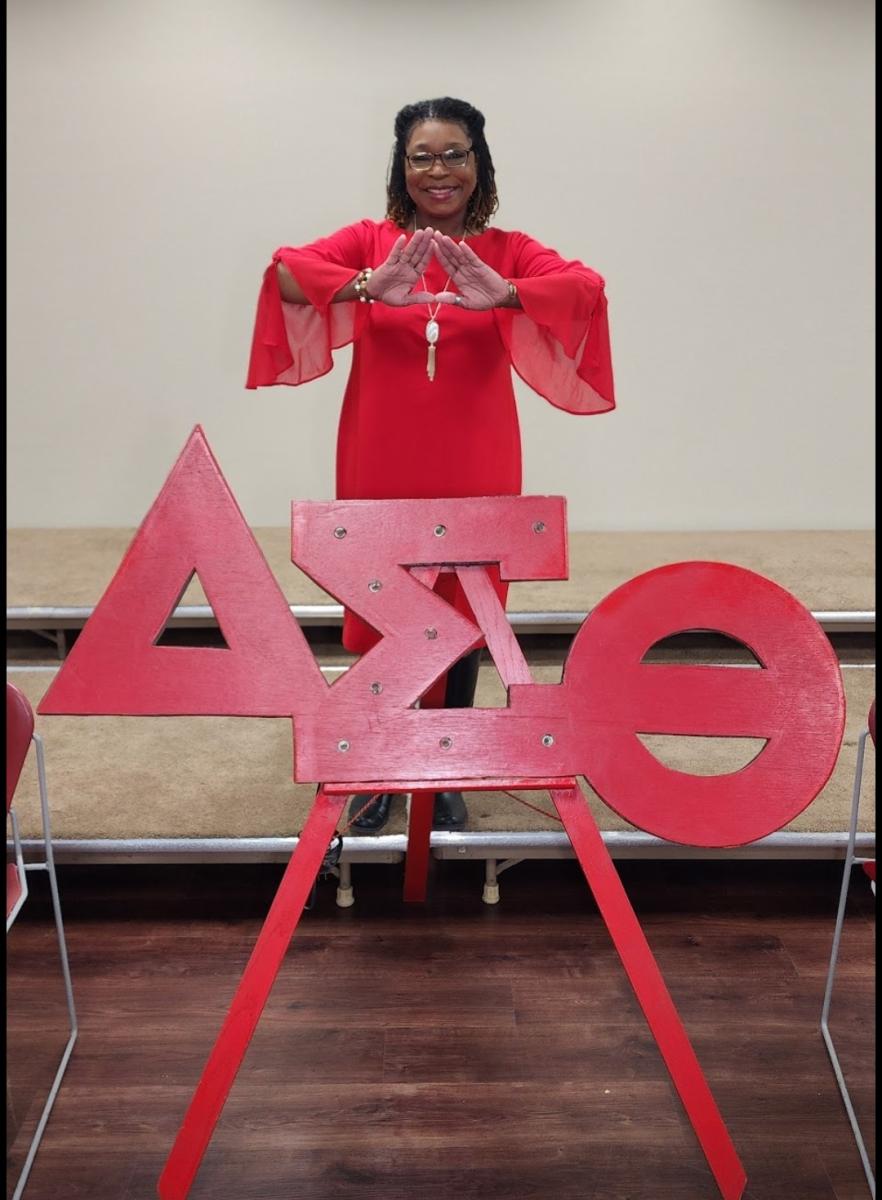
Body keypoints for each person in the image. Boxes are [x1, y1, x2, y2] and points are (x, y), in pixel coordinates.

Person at [246, 96, 615, 833]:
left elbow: (586, 287)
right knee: (387, 603)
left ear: (479, 163)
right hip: (382, 453)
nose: (438, 170)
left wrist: (509, 294)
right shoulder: (372, 240)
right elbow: (285, 272)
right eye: (422, 156)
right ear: (402, 166)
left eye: (454, 154)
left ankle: (447, 765)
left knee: (464, 610)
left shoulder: (507, 249)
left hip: (476, 456)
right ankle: (385, 763)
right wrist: (364, 283)